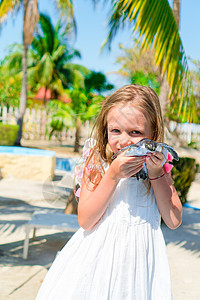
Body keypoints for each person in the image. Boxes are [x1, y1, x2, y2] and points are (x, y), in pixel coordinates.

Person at [36, 84, 182, 300]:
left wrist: (156, 173)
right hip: (96, 260)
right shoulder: (98, 162)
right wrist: (112, 175)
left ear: (154, 132)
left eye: (136, 132)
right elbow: (86, 220)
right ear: (105, 128)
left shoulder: (158, 165)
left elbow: (173, 219)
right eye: (115, 130)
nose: (124, 140)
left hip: (140, 264)